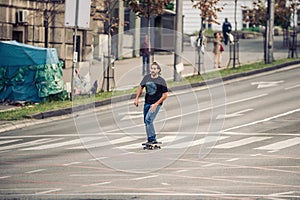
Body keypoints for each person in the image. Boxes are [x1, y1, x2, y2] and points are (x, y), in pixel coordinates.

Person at [134, 62, 168, 144]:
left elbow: (165, 95)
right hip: (147, 102)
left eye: (155, 69)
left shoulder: (161, 81)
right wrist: (137, 98)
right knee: (146, 121)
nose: (152, 70)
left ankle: (153, 138)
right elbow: (141, 87)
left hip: (156, 104)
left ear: (158, 70)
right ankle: (150, 139)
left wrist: (156, 104)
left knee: (148, 119)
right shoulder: (147, 78)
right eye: (152, 68)